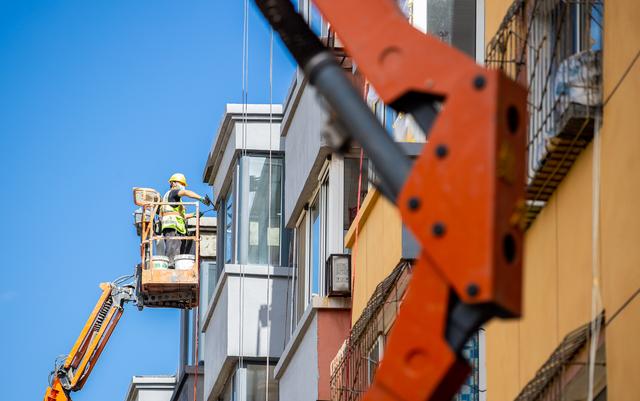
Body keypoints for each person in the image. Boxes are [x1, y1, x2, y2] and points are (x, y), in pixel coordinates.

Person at [160, 173, 211, 267]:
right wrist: (201, 199)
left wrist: (194, 215)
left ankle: (175, 265)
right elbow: (185, 193)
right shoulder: (173, 193)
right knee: (173, 248)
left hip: (175, 226)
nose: (183, 187)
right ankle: (171, 265)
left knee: (177, 249)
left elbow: (180, 216)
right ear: (173, 183)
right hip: (172, 226)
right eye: (181, 184)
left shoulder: (173, 199)